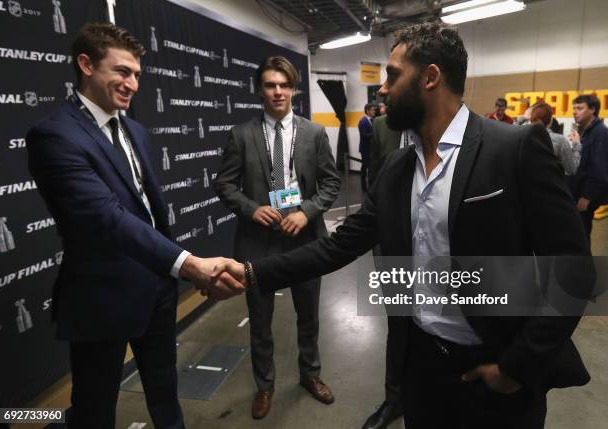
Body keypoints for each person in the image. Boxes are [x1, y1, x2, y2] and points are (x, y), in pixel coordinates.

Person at [215, 22, 592, 429]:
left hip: (495, 370)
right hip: (422, 367)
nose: (382, 88)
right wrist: (251, 272)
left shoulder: (514, 149)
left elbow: (573, 266)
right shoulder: (397, 166)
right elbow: (338, 245)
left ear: (430, 77)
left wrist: (516, 368)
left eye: (393, 75)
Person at [25, 23, 244, 429]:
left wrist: (171, 269)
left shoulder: (136, 131)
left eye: (138, 75)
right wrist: (190, 264)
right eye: (122, 72)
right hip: (101, 298)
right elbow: (106, 217)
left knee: (165, 389)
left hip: (157, 288)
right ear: (86, 65)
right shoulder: (54, 136)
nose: (132, 84)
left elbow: (146, 210)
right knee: (95, 407)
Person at [214, 56, 340, 419]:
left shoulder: (314, 133)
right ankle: (265, 385)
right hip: (258, 242)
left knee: (309, 316)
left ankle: (310, 374)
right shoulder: (241, 135)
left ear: (294, 90)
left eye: (284, 84)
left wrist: (307, 212)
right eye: (270, 85)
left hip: (305, 239)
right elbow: (224, 183)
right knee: (260, 320)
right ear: (260, 90)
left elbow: (330, 182)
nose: (278, 91)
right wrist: (251, 208)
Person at [364, 114, 405, 429]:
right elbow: (375, 179)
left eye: (394, 76)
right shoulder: (381, 126)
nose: (385, 89)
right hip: (393, 246)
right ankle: (395, 400)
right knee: (400, 325)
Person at [569, 94, 608, 238]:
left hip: (585, 198)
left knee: (581, 239)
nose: (574, 111)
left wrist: (587, 197)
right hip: (579, 193)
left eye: (579, 108)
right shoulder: (586, 131)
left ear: (592, 109)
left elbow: (600, 170)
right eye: (574, 108)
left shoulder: (600, 133)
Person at [530, 102, 576, 175]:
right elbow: (572, 169)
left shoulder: (521, 136)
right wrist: (577, 145)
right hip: (548, 184)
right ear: (551, 120)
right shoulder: (559, 140)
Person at [358, 103, 376, 192]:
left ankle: (370, 185)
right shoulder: (362, 121)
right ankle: (363, 187)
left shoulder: (373, 120)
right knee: (364, 168)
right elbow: (364, 135)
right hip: (365, 149)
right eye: (372, 110)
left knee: (371, 168)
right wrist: (375, 134)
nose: (374, 111)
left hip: (371, 149)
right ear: (367, 111)